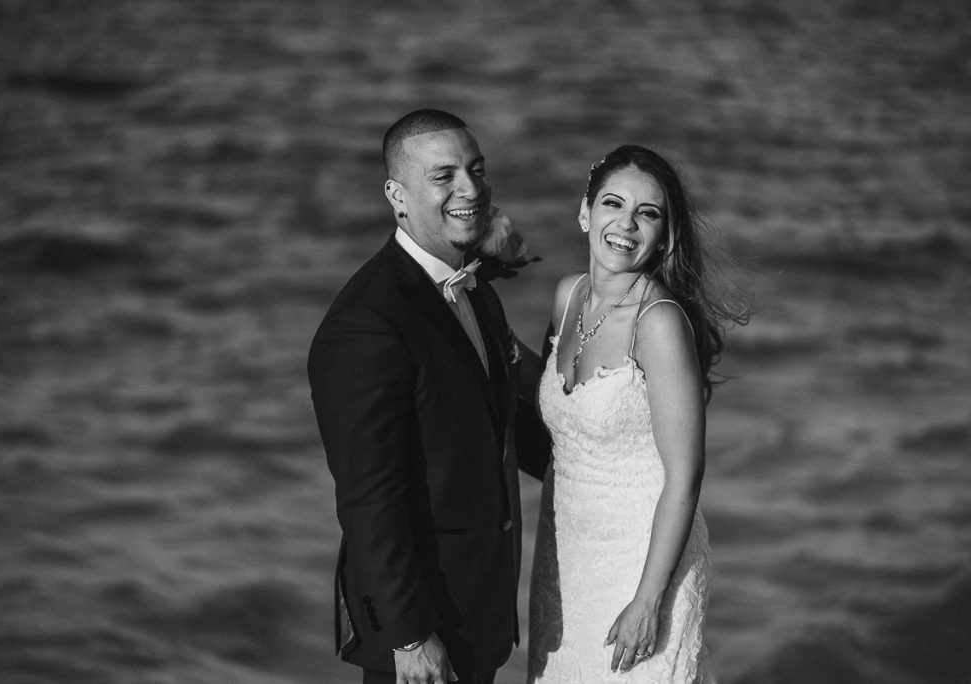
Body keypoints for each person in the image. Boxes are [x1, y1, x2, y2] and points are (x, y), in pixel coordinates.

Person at [308, 109, 548, 684]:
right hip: (421, 640)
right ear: (397, 195)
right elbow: (369, 502)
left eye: (476, 169)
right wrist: (410, 636)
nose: (470, 188)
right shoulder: (367, 323)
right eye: (444, 176)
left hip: (479, 617)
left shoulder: (476, 294)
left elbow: (503, 435)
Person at [527, 145, 747, 683]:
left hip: (643, 561)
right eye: (612, 204)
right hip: (567, 559)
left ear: (664, 237)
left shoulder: (660, 323)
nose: (625, 224)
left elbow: (685, 474)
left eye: (647, 213)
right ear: (585, 212)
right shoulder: (567, 296)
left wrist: (648, 602)